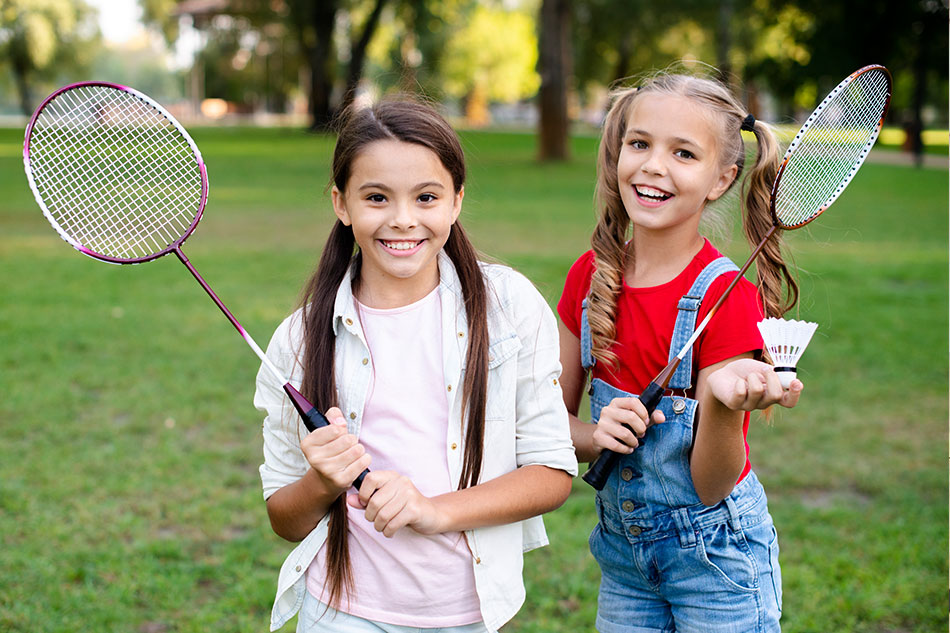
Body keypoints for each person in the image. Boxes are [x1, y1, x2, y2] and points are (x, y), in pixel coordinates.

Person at [255, 97, 577, 633]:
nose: (403, 220)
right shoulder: (298, 338)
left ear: (456, 201)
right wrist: (321, 481)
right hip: (341, 615)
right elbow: (284, 518)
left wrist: (435, 510)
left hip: (469, 613)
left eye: (426, 197)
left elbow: (551, 473)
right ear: (341, 204)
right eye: (376, 197)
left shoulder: (508, 306)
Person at [557, 71, 805, 632]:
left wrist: (722, 404)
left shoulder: (727, 299)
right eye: (639, 143)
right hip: (623, 563)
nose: (652, 165)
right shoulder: (589, 279)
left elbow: (713, 485)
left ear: (721, 180)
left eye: (683, 153)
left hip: (717, 561)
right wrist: (593, 437)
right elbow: (548, 421)